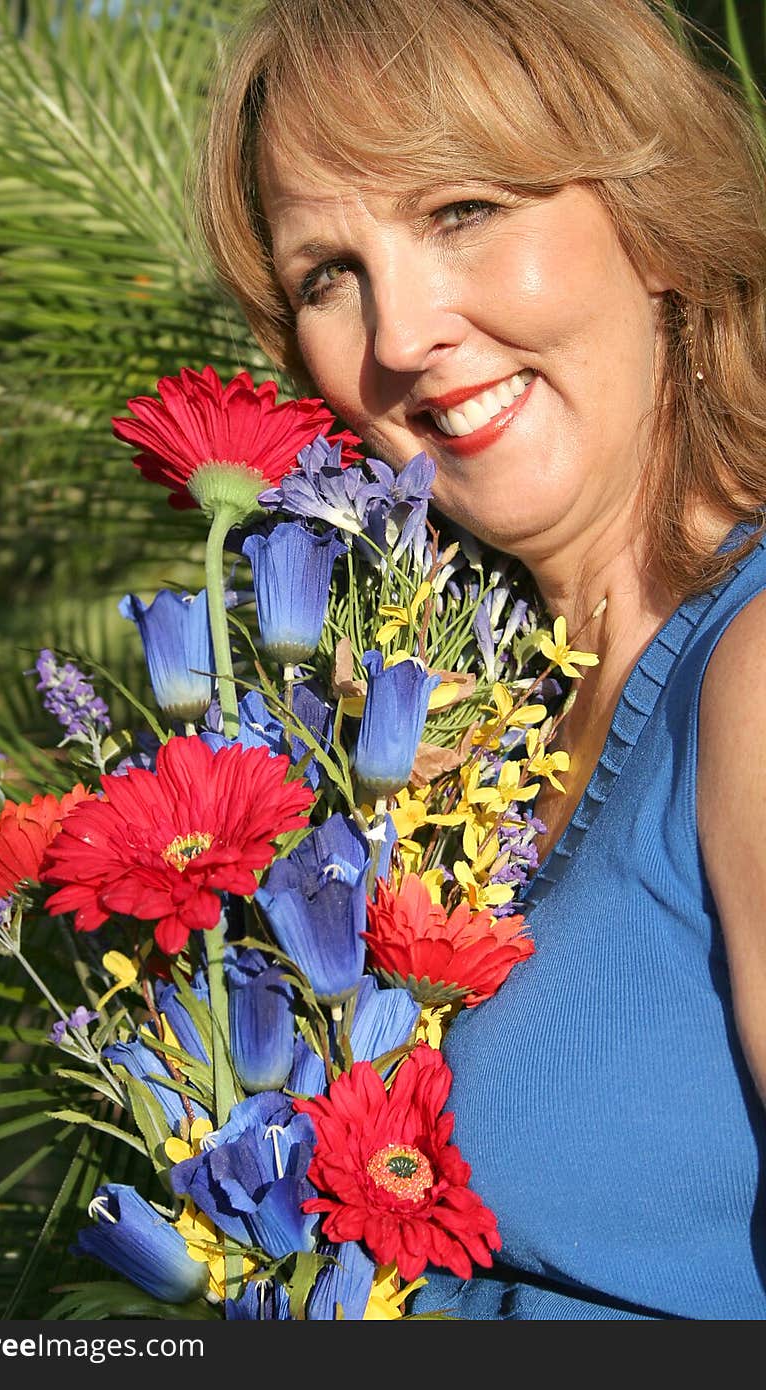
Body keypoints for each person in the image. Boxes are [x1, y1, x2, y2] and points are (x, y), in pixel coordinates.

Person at [195, 0, 766, 1319]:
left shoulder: (748, 668)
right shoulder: (458, 733)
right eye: (329, 274)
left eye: (460, 210)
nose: (398, 337)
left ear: (656, 216)